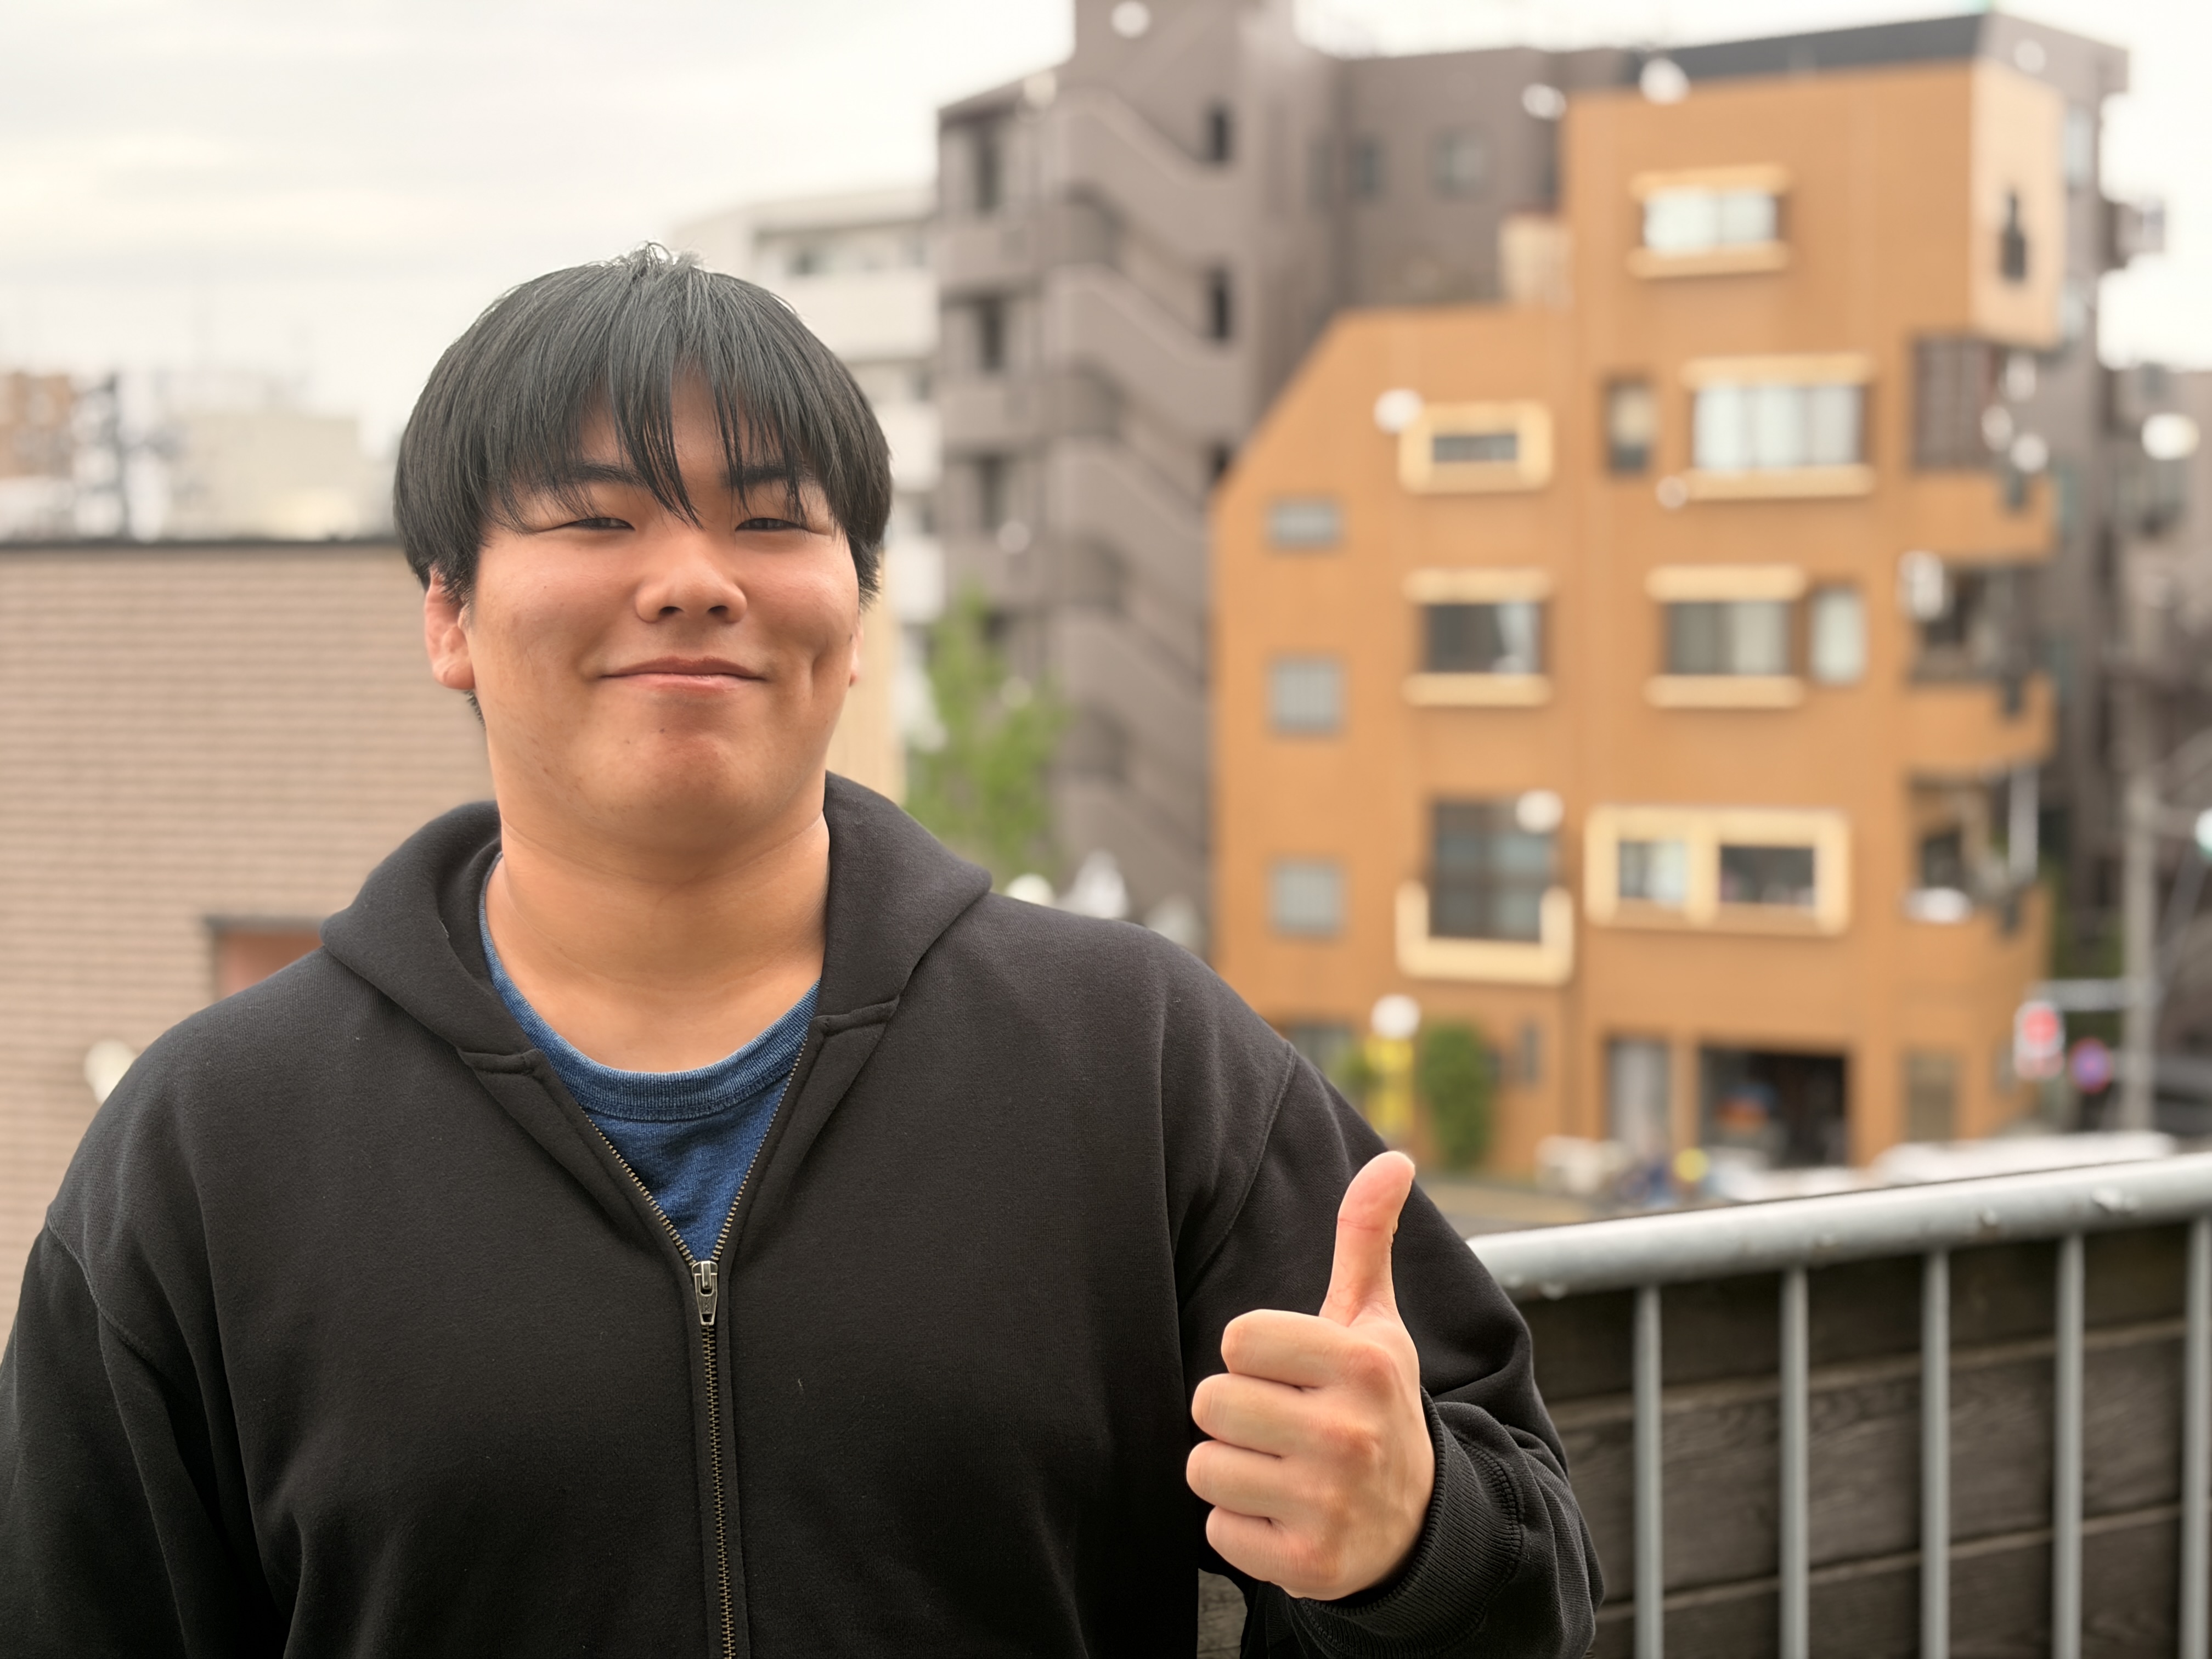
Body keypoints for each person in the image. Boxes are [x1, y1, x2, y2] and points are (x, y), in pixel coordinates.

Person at [0, 247, 1598, 1656]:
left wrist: (1411, 1546)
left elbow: (1534, 1584)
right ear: (448, 615)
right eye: (595, 517)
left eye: (771, 520)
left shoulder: (1138, 1059)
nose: (695, 581)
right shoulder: (210, 1141)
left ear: (857, 611)